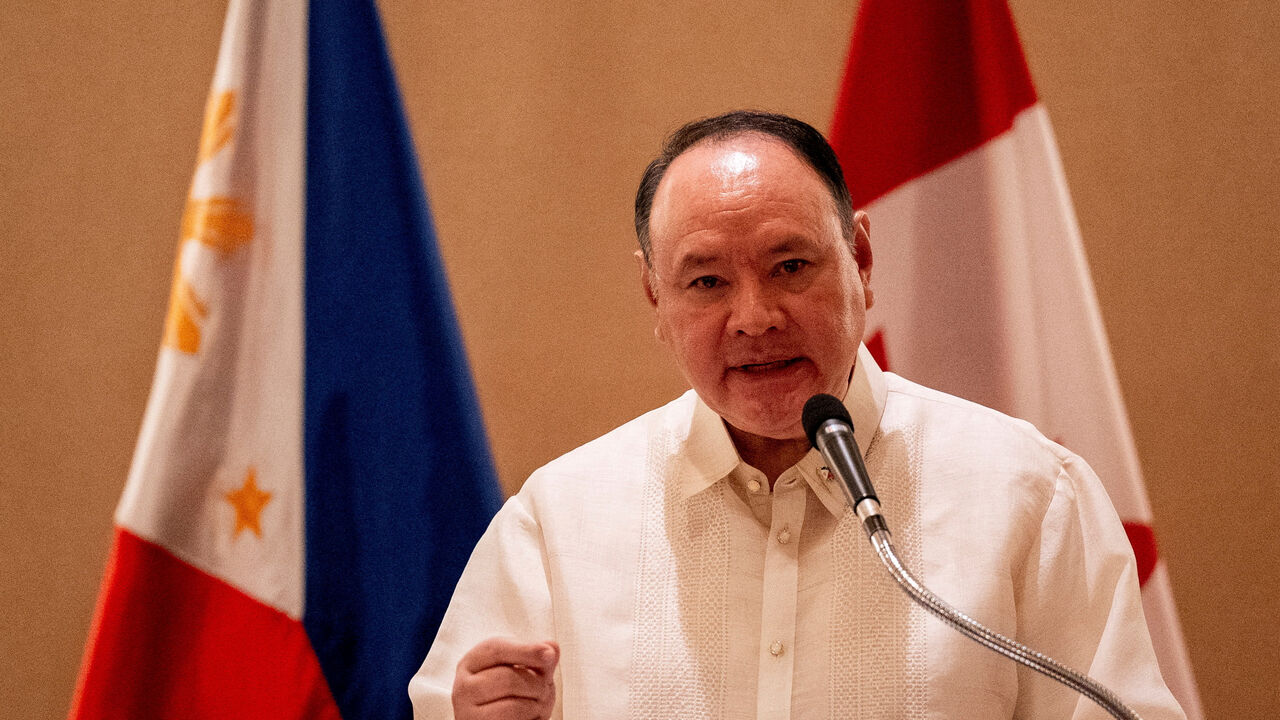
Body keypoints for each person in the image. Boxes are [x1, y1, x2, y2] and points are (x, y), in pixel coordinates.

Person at [408, 111, 1185, 719]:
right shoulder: (560, 519)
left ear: (861, 260)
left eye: (790, 267)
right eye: (706, 282)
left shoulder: (1030, 495)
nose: (754, 318)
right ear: (656, 297)